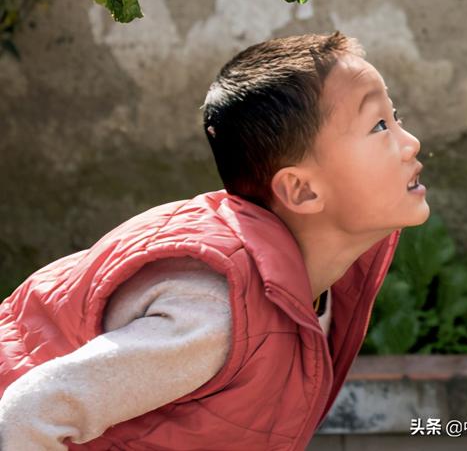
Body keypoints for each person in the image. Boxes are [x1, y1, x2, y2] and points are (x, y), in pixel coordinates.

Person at [0, 31, 428, 449]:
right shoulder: (216, 313)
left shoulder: (313, 289)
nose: (410, 143)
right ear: (301, 190)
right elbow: (26, 413)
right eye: (377, 126)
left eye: (396, 118)